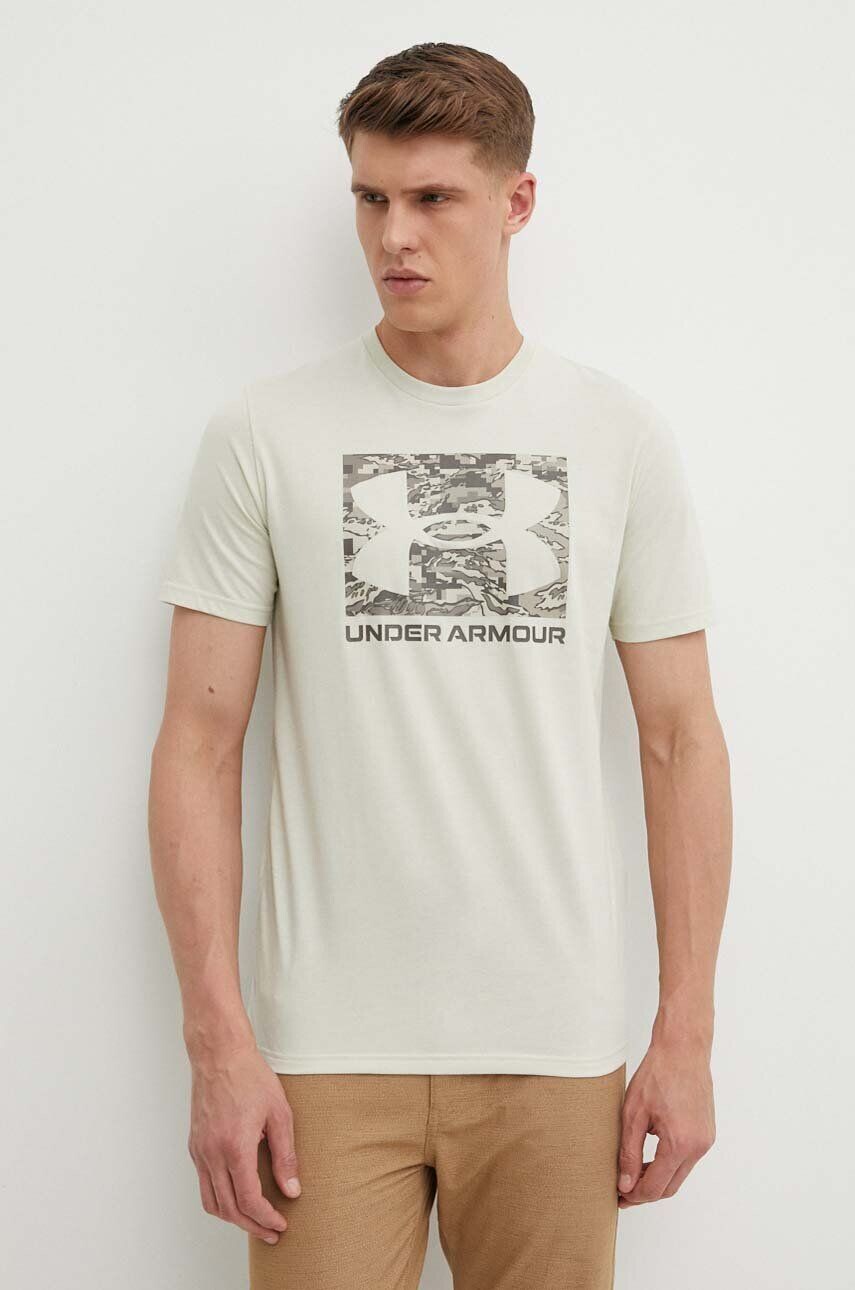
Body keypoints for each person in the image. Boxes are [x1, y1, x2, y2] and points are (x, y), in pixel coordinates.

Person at [148, 40, 732, 1290]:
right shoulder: (264, 434)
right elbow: (198, 744)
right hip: (323, 1051)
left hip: (553, 1045)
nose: (393, 236)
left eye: (432, 199)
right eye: (370, 198)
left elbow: (681, 739)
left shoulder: (617, 436)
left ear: (518, 202)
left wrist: (685, 1035)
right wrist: (218, 1045)